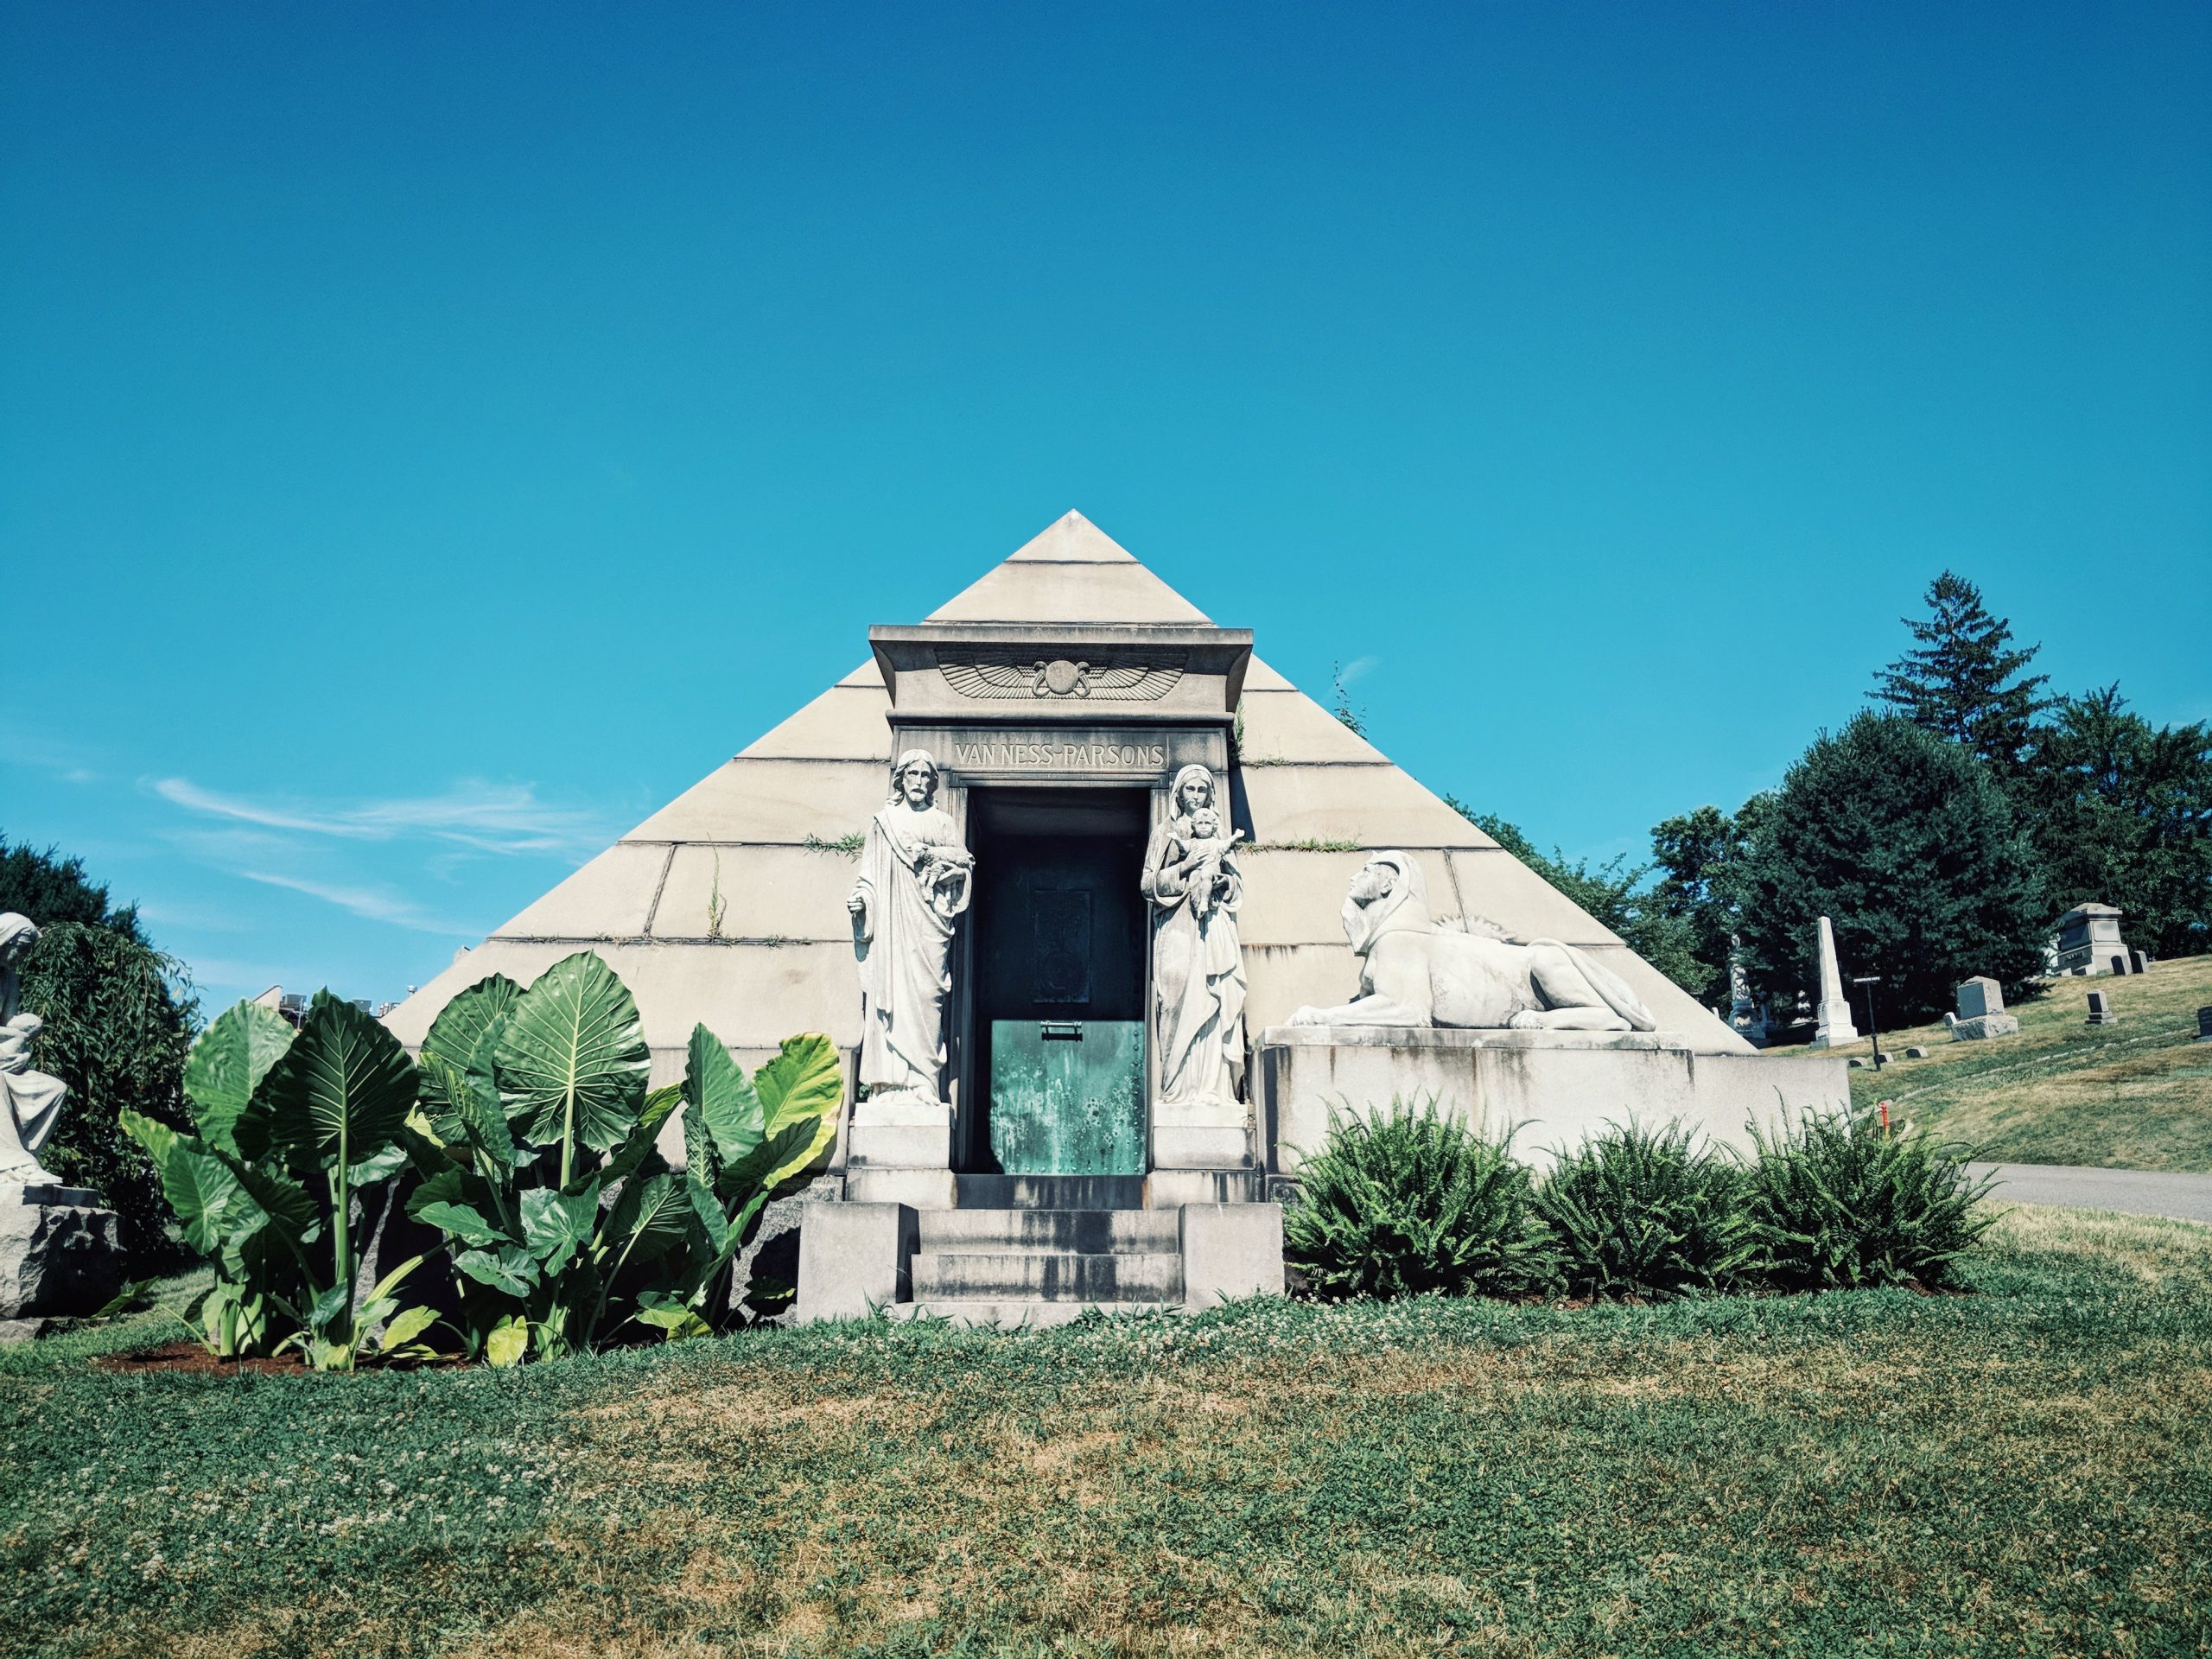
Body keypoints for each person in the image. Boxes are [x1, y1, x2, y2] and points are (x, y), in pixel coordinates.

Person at [848, 750, 975, 1107]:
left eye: (925, 776)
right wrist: (862, 902)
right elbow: (868, 877)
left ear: (933, 783)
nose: (918, 781)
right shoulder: (884, 823)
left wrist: (947, 870)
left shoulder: (943, 823)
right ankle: (890, 1084)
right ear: (901, 779)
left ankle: (924, 1081)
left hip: (930, 924)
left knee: (928, 996)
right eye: (912, 774)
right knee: (892, 994)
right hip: (892, 925)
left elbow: (964, 866)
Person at [1141, 766, 1247, 1109]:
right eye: (1191, 789)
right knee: (1172, 999)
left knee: (1212, 997)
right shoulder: (1166, 832)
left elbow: (1236, 884)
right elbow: (1148, 884)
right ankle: (1175, 1089)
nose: (1197, 796)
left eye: (1203, 790)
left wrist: (1223, 883)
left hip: (1212, 926)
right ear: (1179, 794)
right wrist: (1186, 867)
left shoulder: (1219, 831)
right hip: (1176, 926)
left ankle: (1211, 1089)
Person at [0, 914, 67, 1185]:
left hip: (4, 1058)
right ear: (6, 938)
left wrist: (24, 1046)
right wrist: (13, 1036)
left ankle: (21, 1160)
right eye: (21, 947)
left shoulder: (9, 979)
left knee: (54, 1089)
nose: (22, 955)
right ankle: (15, 1164)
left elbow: (9, 1021)